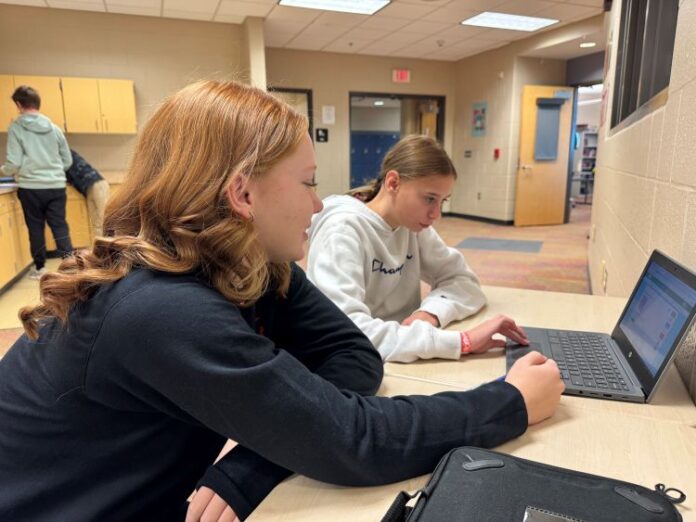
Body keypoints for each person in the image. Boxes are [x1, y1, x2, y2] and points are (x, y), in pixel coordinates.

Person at [0, 80, 564, 521]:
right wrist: (509, 401)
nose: (319, 205)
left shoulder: (250, 263)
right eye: (308, 182)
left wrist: (263, 454)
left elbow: (353, 355)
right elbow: (353, 439)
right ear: (243, 193)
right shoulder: (158, 308)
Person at [307, 135, 527, 363]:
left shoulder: (411, 225)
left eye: (442, 201)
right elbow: (346, 332)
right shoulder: (341, 231)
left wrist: (430, 313)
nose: (436, 214)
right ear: (393, 183)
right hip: (356, 362)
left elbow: (463, 281)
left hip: (404, 351)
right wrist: (462, 342)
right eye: (429, 199)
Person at [1, 85, 73, 279]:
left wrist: (3, 171)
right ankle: (71, 266)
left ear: (18, 105)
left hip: (31, 187)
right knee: (60, 226)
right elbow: (67, 161)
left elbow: (14, 163)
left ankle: (40, 268)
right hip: (56, 185)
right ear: (37, 104)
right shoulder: (54, 128)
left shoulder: (16, 128)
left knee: (35, 228)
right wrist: (53, 172)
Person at [65, 148, 110, 239]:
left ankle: (111, 244)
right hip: (89, 190)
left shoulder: (65, 154)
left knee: (104, 220)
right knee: (96, 224)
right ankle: (100, 245)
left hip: (98, 185)